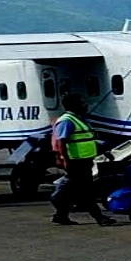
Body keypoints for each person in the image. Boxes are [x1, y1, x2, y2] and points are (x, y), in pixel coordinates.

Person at [49, 94, 115, 226]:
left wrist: (104, 151)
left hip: (85, 161)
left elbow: (87, 139)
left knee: (74, 190)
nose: (85, 105)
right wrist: (64, 159)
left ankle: (61, 215)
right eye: (81, 102)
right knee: (86, 191)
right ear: (73, 106)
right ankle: (99, 218)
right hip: (76, 162)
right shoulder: (67, 121)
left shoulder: (79, 120)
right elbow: (61, 142)